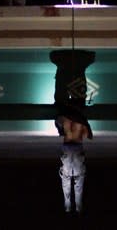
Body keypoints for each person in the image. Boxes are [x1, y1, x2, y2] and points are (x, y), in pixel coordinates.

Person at [50, 49, 95, 214]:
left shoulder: (75, 124)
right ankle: (72, 207)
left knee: (74, 185)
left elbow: (89, 135)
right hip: (71, 147)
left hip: (73, 147)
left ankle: (72, 207)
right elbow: (87, 134)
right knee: (73, 185)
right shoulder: (72, 124)